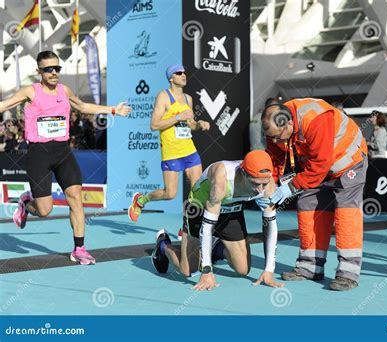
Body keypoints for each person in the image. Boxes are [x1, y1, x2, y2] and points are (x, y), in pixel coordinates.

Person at [0, 50, 131, 265]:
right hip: (38, 154)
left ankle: (79, 248)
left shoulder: (65, 90)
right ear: (39, 71)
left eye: (57, 68)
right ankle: (26, 204)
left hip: (63, 152)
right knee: (44, 210)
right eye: (48, 69)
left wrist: (113, 109)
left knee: (76, 199)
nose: (53, 73)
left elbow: (83, 106)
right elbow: (5, 105)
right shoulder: (30, 91)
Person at [259, 97, 368, 291]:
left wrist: (290, 187)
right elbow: (275, 158)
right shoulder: (275, 125)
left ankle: (348, 274)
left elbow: (321, 165)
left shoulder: (316, 119)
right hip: (316, 166)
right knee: (307, 205)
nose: (275, 141)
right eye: (271, 137)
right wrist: (270, 186)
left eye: (278, 137)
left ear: (290, 123)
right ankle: (309, 267)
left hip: (349, 161)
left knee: (346, 212)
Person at [151, 150, 283, 290]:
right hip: (200, 208)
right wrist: (206, 270)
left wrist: (269, 270)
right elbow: (207, 227)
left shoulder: (267, 183)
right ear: (243, 174)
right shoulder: (222, 178)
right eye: (256, 184)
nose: (260, 190)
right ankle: (162, 246)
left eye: (264, 184)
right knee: (188, 271)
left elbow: (270, 226)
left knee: (243, 270)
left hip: (231, 210)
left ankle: (216, 248)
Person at [128, 64, 210, 227]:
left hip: (189, 150)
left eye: (184, 72)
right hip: (171, 152)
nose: (183, 75)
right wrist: (178, 116)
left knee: (197, 192)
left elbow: (190, 125)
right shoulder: (164, 97)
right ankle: (141, 200)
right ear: (171, 78)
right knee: (170, 193)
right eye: (179, 73)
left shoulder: (188, 99)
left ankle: (187, 227)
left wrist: (200, 124)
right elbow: (154, 125)